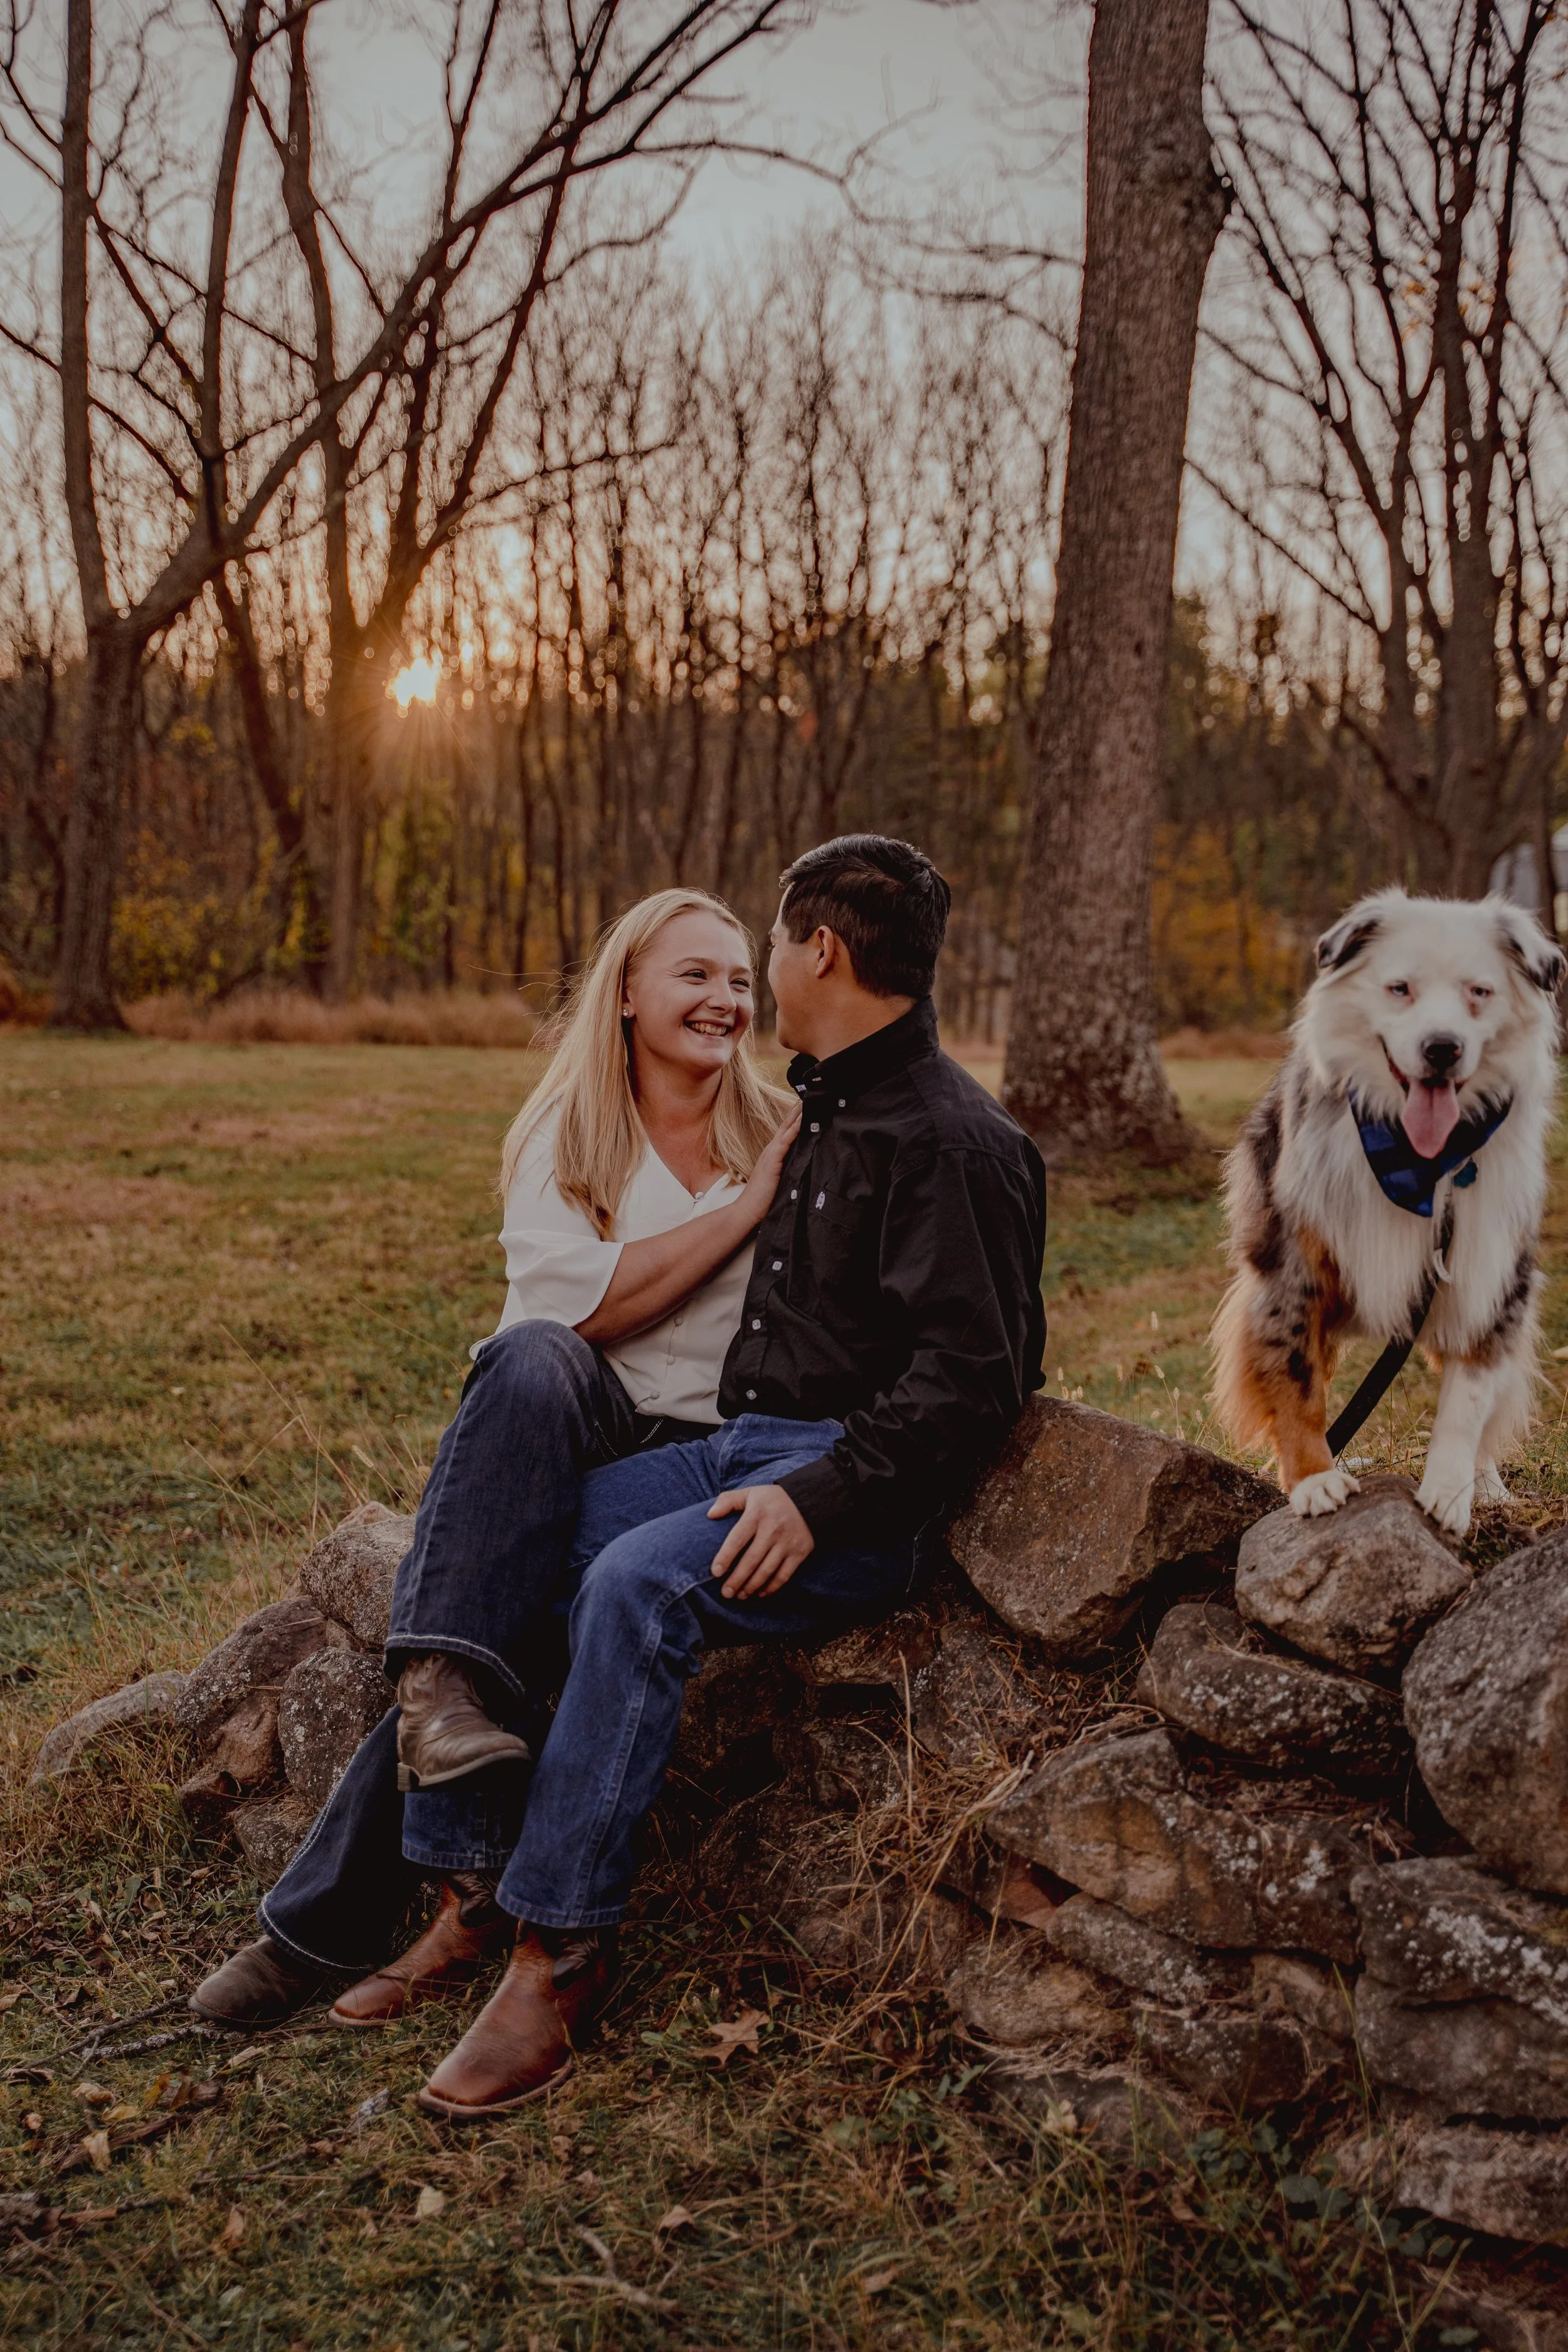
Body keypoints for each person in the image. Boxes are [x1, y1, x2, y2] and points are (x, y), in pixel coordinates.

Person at [194, 837, 1048, 2124]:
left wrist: (815, 1497)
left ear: (819, 952)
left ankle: (558, 1954)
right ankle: (455, 1898)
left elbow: (973, 1383)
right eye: (697, 969)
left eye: (758, 952)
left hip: (829, 1492)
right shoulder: (818, 1110)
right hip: (725, 1453)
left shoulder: (948, 1136)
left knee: (628, 1591)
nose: (745, 982)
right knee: (513, 1572)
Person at [190, 886, 797, 2025]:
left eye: (739, 979)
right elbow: (582, 1313)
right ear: (626, 992)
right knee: (528, 1355)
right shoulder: (566, 1130)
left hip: (706, 1453)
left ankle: (362, 1866)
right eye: (694, 975)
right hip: (566, 1429)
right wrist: (741, 1212)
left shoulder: (781, 1132)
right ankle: (438, 1718)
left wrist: (764, 1180)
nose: (725, 999)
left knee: (498, 1623)